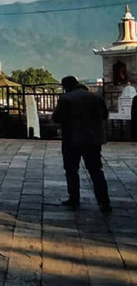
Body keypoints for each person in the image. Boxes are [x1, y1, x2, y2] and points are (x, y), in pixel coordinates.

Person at [52, 76, 111, 214]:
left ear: (66, 86)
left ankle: (74, 198)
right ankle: (104, 202)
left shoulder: (66, 99)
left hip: (72, 139)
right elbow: (105, 115)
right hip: (93, 140)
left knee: (72, 170)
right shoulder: (96, 97)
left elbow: (57, 118)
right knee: (96, 171)